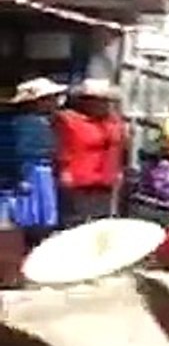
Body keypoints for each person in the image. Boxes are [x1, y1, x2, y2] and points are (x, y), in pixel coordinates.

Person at [54, 80, 128, 228]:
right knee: (78, 220)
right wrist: (64, 170)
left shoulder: (113, 122)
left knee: (102, 220)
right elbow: (62, 146)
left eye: (106, 101)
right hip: (79, 178)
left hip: (106, 178)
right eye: (99, 101)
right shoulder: (69, 120)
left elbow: (119, 146)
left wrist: (119, 170)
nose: (104, 105)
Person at [5, 78, 66, 247]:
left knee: (39, 216)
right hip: (31, 171)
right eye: (49, 99)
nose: (54, 102)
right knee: (33, 215)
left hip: (41, 170)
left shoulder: (42, 122)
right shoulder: (26, 124)